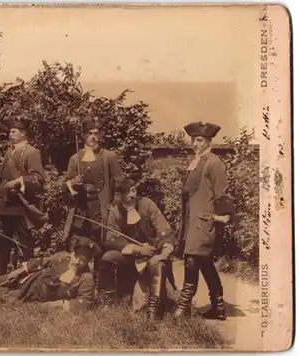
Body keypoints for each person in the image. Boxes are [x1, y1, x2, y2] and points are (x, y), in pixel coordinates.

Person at [173, 122, 234, 321]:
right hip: (192, 222)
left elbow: (221, 193)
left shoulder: (214, 163)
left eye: (200, 140)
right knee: (205, 263)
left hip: (204, 222)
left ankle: (183, 308)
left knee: (191, 260)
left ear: (208, 141)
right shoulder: (197, 161)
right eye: (193, 139)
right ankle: (218, 307)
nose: (195, 143)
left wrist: (222, 216)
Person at [97, 178, 175, 319]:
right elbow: (111, 237)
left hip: (151, 253)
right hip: (130, 254)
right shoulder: (115, 210)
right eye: (125, 193)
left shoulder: (147, 205)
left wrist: (161, 251)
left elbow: (164, 230)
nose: (130, 196)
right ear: (119, 195)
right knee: (108, 258)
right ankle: (109, 301)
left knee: (159, 266)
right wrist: (136, 249)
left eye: (132, 190)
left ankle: (154, 311)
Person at [63, 116, 124, 267]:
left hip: (101, 210)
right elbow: (65, 185)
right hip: (81, 211)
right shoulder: (75, 159)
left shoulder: (109, 156)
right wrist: (72, 183)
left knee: (101, 248)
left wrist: (114, 205)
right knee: (79, 247)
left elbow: (121, 183)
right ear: (83, 135)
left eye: (96, 133)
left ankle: (100, 282)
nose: (93, 137)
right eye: (90, 133)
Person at [0, 236, 100, 313]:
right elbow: (42, 262)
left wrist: (58, 304)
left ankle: (0, 293)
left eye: (82, 259)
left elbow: (84, 302)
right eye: (76, 256)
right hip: (29, 281)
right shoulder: (63, 257)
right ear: (72, 253)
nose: (77, 262)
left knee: (6, 299)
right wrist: (19, 271)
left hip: (37, 298)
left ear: (88, 261)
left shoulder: (86, 278)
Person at [0, 117, 46, 275]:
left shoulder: (32, 152)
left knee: (25, 244)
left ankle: (28, 277)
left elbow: (39, 179)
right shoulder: (9, 152)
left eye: (14, 131)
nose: (10, 134)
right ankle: (1, 277)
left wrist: (19, 181)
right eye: (10, 131)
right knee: (4, 241)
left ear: (23, 134)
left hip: (21, 205)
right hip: (6, 204)